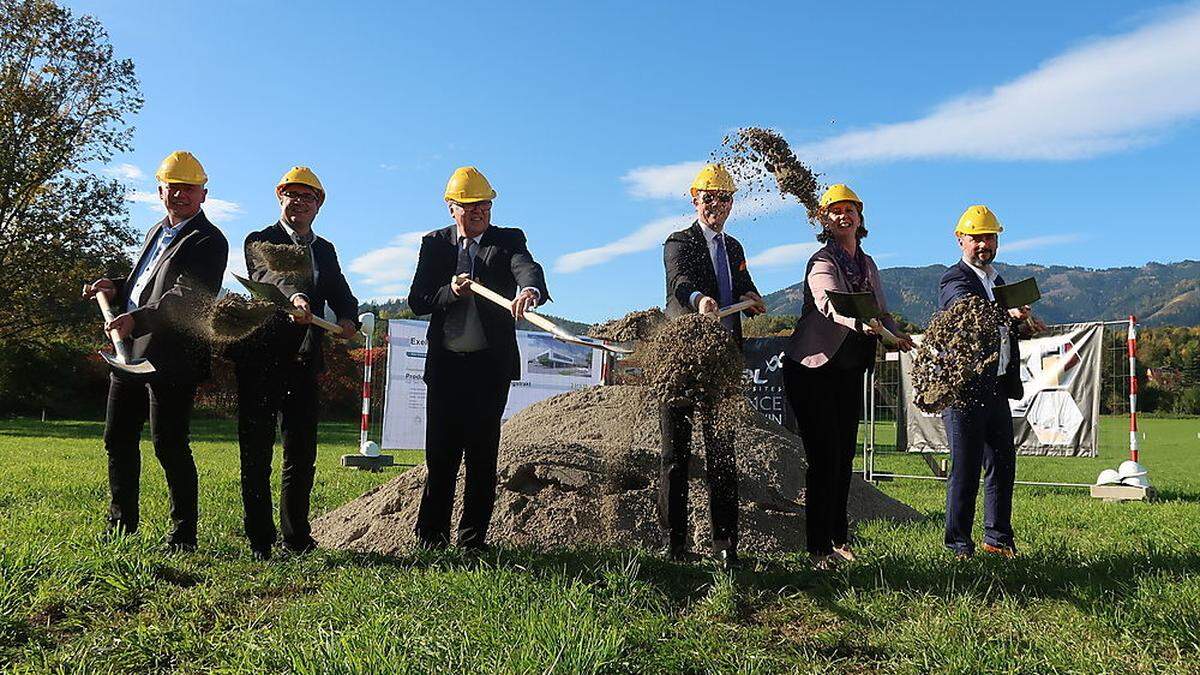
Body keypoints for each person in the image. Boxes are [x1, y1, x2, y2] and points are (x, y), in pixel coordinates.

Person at [81, 151, 229, 551]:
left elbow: (186, 297)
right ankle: (120, 526)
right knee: (118, 438)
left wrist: (136, 320)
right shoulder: (155, 231)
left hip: (171, 358)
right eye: (172, 188)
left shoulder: (209, 240)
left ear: (204, 194)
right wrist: (113, 285)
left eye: (188, 189)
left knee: (169, 444)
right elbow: (142, 281)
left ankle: (183, 536)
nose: (179, 195)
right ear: (160, 190)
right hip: (127, 353)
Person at [408, 166, 550, 551]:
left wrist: (530, 290)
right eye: (470, 206)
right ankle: (431, 539)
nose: (479, 212)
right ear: (451, 208)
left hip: (489, 369)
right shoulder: (435, 245)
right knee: (440, 458)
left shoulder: (507, 241)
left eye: (485, 205)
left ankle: (472, 542)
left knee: (482, 459)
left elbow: (526, 267)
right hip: (446, 367)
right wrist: (451, 292)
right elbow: (418, 300)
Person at [229, 166, 359, 560]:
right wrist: (297, 298)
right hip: (262, 362)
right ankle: (260, 540)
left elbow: (338, 288)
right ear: (280, 197)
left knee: (301, 455)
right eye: (293, 195)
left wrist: (349, 316)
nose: (299, 202)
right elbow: (270, 274)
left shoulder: (325, 249)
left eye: (308, 197)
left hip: (304, 362)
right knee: (257, 455)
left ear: (318, 206)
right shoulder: (260, 240)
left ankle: (297, 537)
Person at [782, 184, 913, 570]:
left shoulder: (868, 264)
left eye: (850, 210)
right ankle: (818, 548)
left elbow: (882, 310)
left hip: (850, 369)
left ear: (860, 217)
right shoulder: (821, 261)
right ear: (824, 219)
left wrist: (895, 332)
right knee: (823, 459)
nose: (844, 216)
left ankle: (840, 539)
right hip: (813, 369)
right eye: (835, 211)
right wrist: (856, 321)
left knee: (843, 459)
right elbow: (828, 302)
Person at [661, 163, 765, 570]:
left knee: (722, 453)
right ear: (694, 199)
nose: (715, 206)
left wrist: (752, 295)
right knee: (676, 454)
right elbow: (679, 282)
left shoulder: (734, 248)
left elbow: (742, 285)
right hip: (682, 358)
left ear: (731, 203)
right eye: (709, 198)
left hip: (723, 360)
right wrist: (700, 300)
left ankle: (725, 546)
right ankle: (675, 546)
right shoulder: (678, 241)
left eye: (724, 199)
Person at [939, 204, 1044, 559]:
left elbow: (1002, 326)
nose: (984, 244)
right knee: (965, 470)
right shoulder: (954, 279)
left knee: (1002, 466)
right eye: (977, 238)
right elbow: (966, 312)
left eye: (990, 237)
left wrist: (1022, 324)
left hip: (997, 387)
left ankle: (997, 539)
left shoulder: (997, 281)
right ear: (960, 240)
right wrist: (1005, 312)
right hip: (965, 389)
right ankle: (958, 545)